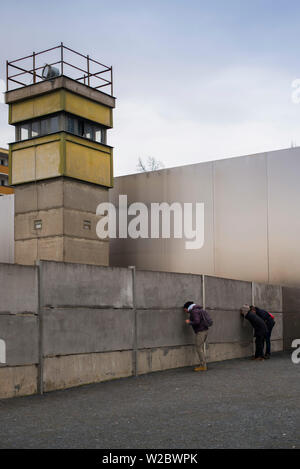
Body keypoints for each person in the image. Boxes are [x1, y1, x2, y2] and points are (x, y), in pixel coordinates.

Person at [183, 301, 212, 372]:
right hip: (205, 330)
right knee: (200, 347)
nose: (185, 311)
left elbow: (197, 321)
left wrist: (189, 322)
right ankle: (203, 364)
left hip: (201, 332)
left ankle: (203, 366)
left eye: (185, 310)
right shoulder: (199, 309)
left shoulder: (194, 311)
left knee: (198, 348)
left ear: (187, 308)